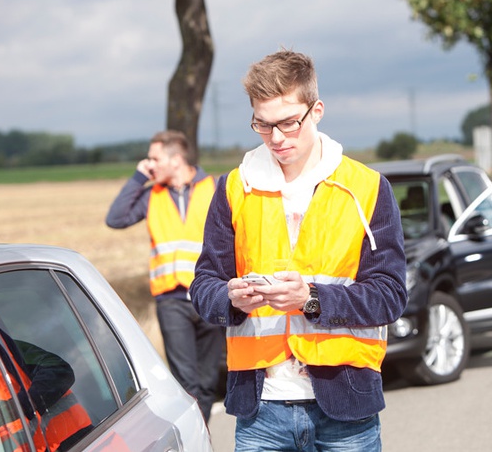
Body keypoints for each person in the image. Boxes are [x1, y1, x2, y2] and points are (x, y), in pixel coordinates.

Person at [190, 49, 408, 451]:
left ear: (317, 110)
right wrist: (230, 297)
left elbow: (391, 295)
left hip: (346, 408)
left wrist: (311, 299)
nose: (276, 138)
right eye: (263, 124)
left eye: (289, 123)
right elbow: (204, 286)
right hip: (260, 411)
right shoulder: (233, 189)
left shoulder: (368, 187)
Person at [105, 130, 224, 423]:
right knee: (187, 382)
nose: (150, 164)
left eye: (155, 159)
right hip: (171, 300)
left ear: (176, 159)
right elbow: (116, 218)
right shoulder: (151, 196)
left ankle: (201, 436)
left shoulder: (216, 187)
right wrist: (137, 177)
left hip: (210, 295)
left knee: (209, 382)